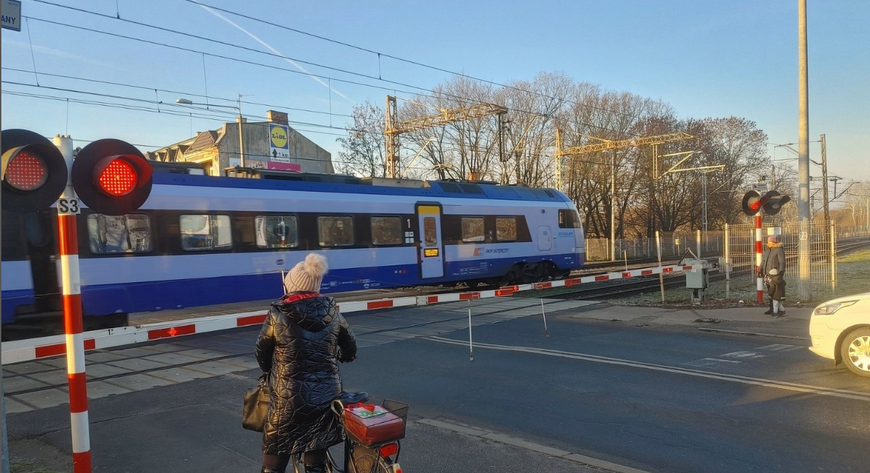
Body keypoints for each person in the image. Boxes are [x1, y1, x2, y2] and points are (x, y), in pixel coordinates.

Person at [256, 253, 357, 473]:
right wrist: (346, 356)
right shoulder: (332, 313)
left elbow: (261, 350)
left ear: (291, 285)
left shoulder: (278, 313)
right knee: (316, 449)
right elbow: (350, 346)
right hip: (325, 393)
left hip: (288, 396)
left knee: (275, 457)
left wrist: (268, 369)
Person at [759, 234, 786, 315]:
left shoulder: (779, 249)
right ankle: (772, 308)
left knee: (775, 292)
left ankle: (777, 309)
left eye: (770, 241)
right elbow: (763, 261)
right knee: (770, 291)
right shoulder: (768, 249)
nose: (768, 243)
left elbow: (782, 262)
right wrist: (760, 270)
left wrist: (781, 272)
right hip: (767, 274)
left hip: (774, 274)